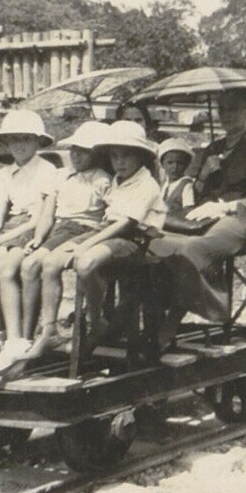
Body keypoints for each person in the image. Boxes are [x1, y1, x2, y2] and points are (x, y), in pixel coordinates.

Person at [147, 88, 246, 333]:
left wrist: (225, 207)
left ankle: (188, 318)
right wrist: (204, 174)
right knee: (155, 244)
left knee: (193, 249)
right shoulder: (213, 148)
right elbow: (194, 192)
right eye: (222, 109)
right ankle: (155, 315)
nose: (226, 115)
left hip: (242, 219)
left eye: (233, 109)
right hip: (206, 216)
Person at [70, 121, 167, 361]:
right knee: (56, 258)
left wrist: (87, 244)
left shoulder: (147, 184)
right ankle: (96, 317)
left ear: (140, 157)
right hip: (110, 232)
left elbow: (125, 223)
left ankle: (96, 320)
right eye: (115, 156)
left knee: (85, 262)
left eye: (126, 156)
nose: (120, 162)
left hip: (132, 239)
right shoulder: (118, 179)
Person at [0, 109, 59, 367]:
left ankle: (16, 339)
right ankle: (2, 332)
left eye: (26, 139)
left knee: (7, 267)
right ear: (6, 143)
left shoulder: (46, 169)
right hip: (13, 227)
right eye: (13, 140)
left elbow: (35, 221)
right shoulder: (5, 174)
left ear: (37, 141)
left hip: (36, 228)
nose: (19, 146)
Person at [19, 120, 113, 348]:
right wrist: (38, 237)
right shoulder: (62, 176)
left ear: (97, 154)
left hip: (85, 229)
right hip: (60, 230)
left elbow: (111, 213)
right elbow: (48, 213)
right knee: (29, 265)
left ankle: (53, 327)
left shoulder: (102, 179)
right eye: (73, 149)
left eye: (84, 151)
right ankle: (32, 332)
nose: (76, 155)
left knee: (49, 264)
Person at [157, 137, 197, 214]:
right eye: (170, 163)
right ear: (162, 164)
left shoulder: (186, 185)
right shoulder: (165, 182)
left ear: (186, 165)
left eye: (180, 163)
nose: (175, 167)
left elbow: (188, 209)